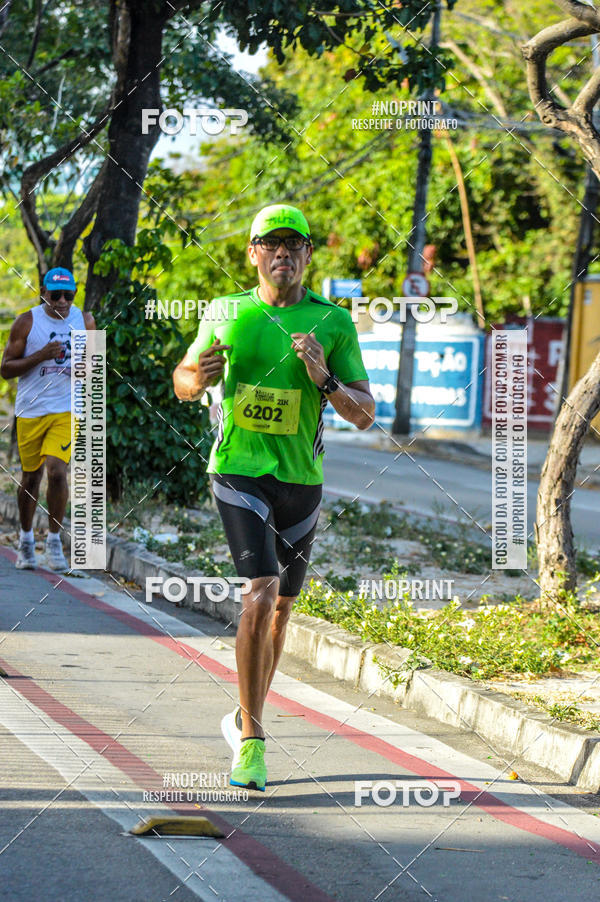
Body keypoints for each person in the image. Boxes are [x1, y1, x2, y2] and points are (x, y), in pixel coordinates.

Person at [173, 204, 375, 791]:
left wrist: (325, 380)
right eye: (270, 243)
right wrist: (199, 379)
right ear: (253, 254)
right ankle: (254, 743)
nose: (282, 252)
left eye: (294, 243)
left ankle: (244, 714)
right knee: (258, 592)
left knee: (283, 607)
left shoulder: (333, 322)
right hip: (237, 471)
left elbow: (364, 417)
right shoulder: (226, 311)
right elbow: (184, 378)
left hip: (301, 482)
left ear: (309, 254)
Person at [0, 267, 96, 572]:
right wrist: (40, 355)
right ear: (44, 292)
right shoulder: (27, 322)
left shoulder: (86, 321)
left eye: (69, 294)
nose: (63, 301)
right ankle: (27, 540)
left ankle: (54, 541)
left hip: (66, 408)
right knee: (31, 477)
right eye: (56, 295)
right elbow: (5, 368)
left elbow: (92, 367)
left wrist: (83, 365)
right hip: (30, 409)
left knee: (57, 472)